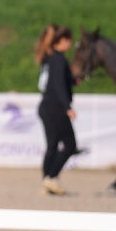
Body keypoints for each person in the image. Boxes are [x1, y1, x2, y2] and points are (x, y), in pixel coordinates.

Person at [34, 24, 80, 195]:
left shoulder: (48, 57)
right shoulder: (59, 59)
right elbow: (59, 86)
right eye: (69, 40)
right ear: (62, 40)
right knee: (70, 145)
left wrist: (72, 81)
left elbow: (55, 82)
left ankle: (47, 182)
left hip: (46, 106)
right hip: (56, 108)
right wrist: (68, 107)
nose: (70, 44)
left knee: (52, 146)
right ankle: (51, 177)